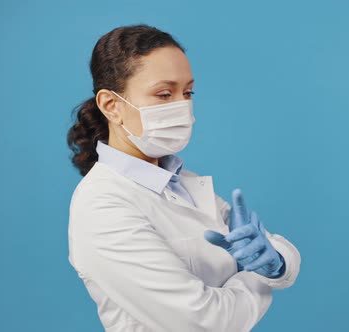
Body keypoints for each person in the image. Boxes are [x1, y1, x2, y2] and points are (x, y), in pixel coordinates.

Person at [66, 24, 302, 332]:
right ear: (112, 106)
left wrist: (275, 262)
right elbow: (205, 322)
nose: (181, 105)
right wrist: (257, 277)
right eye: (164, 94)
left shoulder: (181, 181)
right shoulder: (101, 205)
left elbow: (282, 254)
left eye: (187, 92)